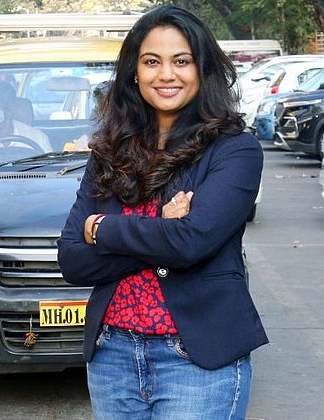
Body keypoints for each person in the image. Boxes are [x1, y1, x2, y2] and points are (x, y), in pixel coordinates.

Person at [57, 6, 268, 419]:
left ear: (202, 70)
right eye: (152, 62)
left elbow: (192, 242)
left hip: (195, 360)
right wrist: (160, 229)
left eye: (181, 61)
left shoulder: (234, 151)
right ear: (134, 72)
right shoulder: (108, 153)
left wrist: (102, 230)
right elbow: (73, 260)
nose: (166, 75)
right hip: (112, 355)